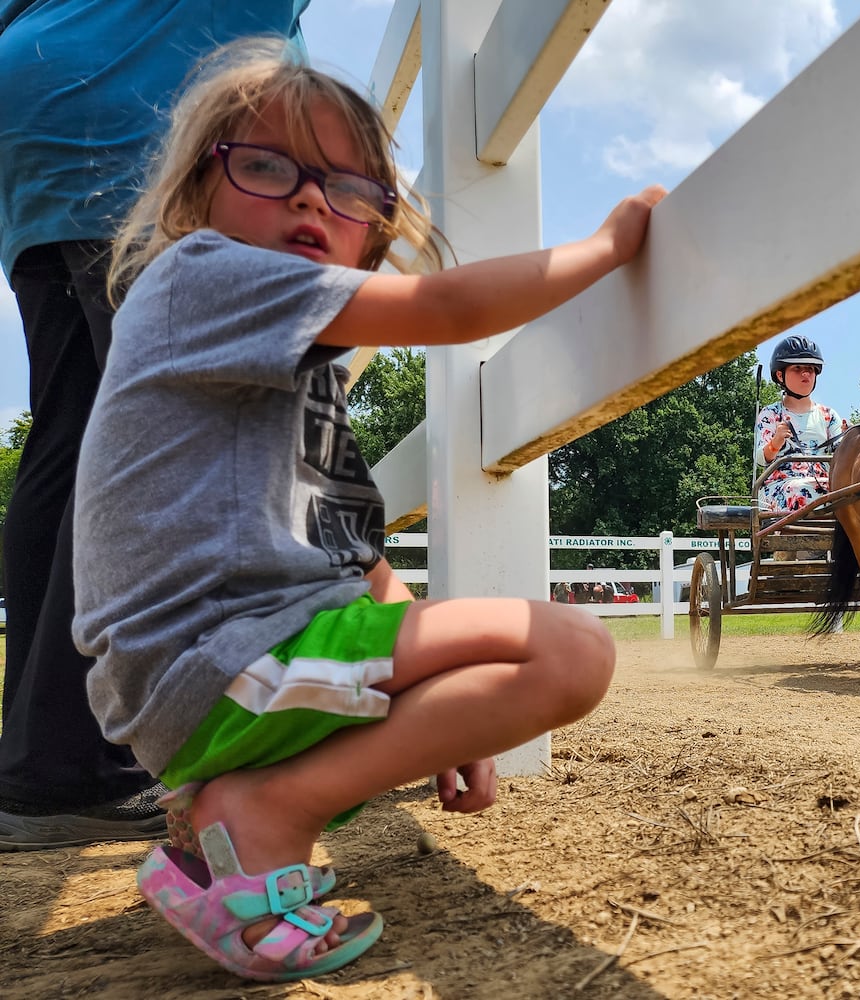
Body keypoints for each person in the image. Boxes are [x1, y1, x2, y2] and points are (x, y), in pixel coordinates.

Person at [71, 38, 664, 981]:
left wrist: (448, 714)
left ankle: (229, 818)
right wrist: (607, 246)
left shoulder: (290, 385)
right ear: (199, 198)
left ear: (373, 231)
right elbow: (454, 307)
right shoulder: (201, 277)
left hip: (229, 665)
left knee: (534, 652)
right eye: (267, 166)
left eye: (349, 190)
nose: (311, 197)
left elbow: (361, 560)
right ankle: (269, 815)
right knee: (573, 649)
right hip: (216, 655)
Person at [0, 2, 316, 852]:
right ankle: (75, 769)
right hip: (144, 123)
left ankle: (40, 766)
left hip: (36, 118)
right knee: (168, 447)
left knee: (67, 447)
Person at [753, 336, 848, 513]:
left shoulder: (828, 415)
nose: (806, 374)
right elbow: (760, 459)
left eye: (810, 369)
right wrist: (775, 443)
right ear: (780, 375)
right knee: (801, 490)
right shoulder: (770, 414)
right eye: (798, 368)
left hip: (824, 480)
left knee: (855, 490)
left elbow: (841, 454)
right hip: (781, 484)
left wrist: (848, 439)